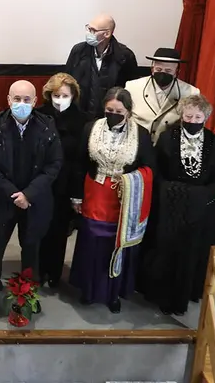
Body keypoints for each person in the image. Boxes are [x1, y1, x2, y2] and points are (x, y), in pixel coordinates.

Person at [0, 80, 63, 309]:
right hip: (3, 199)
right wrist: (12, 193)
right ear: (8, 100)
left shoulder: (47, 126)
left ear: (35, 101)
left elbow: (54, 164)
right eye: (17, 99)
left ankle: (28, 294)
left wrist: (29, 195)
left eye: (27, 100)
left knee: (31, 249)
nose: (21, 104)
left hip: (34, 201)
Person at [69, 87, 155, 314]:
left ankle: (112, 293)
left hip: (123, 198)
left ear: (128, 111)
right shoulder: (91, 127)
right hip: (94, 193)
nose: (113, 114)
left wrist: (128, 181)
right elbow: (79, 163)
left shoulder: (141, 134)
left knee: (116, 245)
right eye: (109, 110)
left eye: (119, 110)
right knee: (91, 243)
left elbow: (148, 168)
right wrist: (76, 196)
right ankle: (88, 290)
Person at [142, 95, 215, 316]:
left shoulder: (214, 142)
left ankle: (182, 297)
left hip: (197, 207)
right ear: (182, 115)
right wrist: (166, 191)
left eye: (198, 116)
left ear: (205, 118)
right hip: (169, 204)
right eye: (188, 116)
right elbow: (156, 169)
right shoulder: (167, 137)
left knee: (189, 253)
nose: (192, 120)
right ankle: (160, 295)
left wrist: (204, 196)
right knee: (165, 250)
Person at [35, 73, 91, 287]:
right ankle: (36, 271)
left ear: (73, 95)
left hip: (65, 183)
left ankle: (54, 273)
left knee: (58, 231)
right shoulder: (38, 115)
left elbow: (81, 158)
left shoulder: (84, 120)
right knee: (38, 229)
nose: (60, 99)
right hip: (41, 182)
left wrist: (77, 193)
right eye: (56, 95)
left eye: (64, 95)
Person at [65, 14, 138, 117]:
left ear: (107, 33)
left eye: (93, 30)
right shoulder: (78, 51)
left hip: (110, 115)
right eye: (88, 28)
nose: (88, 33)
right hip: (80, 115)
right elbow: (67, 81)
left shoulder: (125, 56)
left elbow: (130, 90)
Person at [126, 48, 200, 143]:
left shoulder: (190, 93)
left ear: (176, 72)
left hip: (168, 148)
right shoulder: (132, 87)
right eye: (159, 69)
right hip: (136, 144)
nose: (163, 73)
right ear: (152, 69)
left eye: (168, 71)